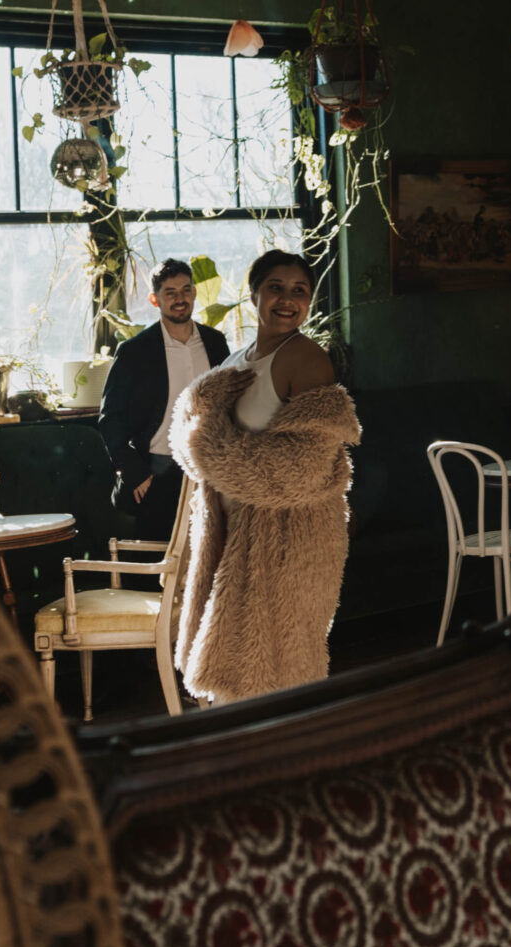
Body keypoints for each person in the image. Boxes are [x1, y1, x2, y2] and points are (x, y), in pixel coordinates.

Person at [169, 249, 361, 704]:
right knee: (237, 667)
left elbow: (299, 468)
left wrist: (206, 442)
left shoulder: (308, 359)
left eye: (300, 291)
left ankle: (286, 761)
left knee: (280, 667)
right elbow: (183, 434)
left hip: (289, 538)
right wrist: (200, 398)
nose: (287, 300)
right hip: (235, 533)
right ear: (254, 293)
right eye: (276, 287)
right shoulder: (237, 360)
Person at [95, 259, 230, 545]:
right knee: (156, 570)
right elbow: (111, 417)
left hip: (209, 471)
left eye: (185, 290)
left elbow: (228, 404)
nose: (180, 299)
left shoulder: (216, 342)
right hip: (155, 474)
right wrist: (135, 473)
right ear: (155, 299)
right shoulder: (134, 351)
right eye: (170, 292)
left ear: (194, 293)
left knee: (210, 561)